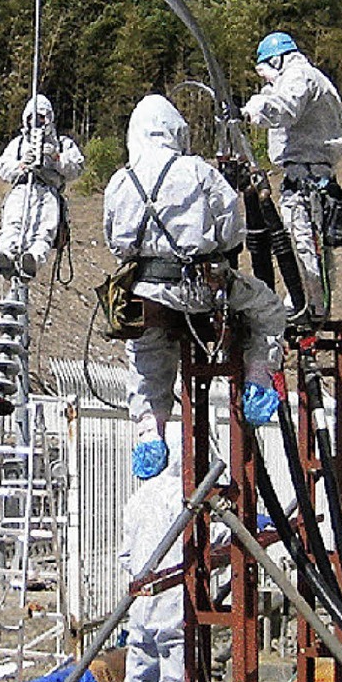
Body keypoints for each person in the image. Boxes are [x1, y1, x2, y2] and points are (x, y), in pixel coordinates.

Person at [103, 94, 286, 475]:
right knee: (266, 306)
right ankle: (257, 379)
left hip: (146, 294)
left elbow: (116, 242)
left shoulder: (122, 179)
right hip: (200, 290)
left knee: (146, 354)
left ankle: (148, 431)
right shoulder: (197, 171)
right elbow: (232, 233)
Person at [242, 31, 342, 320]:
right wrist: (254, 103)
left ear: (277, 60)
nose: (266, 80)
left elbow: (283, 107)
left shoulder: (299, 77)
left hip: (307, 178)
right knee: (306, 246)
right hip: (311, 173)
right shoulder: (307, 77)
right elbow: (273, 97)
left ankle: (310, 306)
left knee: (304, 245)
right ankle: (310, 302)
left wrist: (252, 112)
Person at [97, 433, 184, 682]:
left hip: (142, 609)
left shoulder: (139, 497)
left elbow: (125, 556)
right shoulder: (185, 496)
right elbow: (216, 538)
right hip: (173, 612)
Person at [0, 93, 84, 279]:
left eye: (42, 117)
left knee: (44, 229)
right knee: (12, 225)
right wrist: (20, 165)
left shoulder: (63, 143)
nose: (37, 122)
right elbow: (3, 166)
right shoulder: (18, 144)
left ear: (50, 118)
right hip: (21, 189)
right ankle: (6, 255)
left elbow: (77, 168)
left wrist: (57, 158)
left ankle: (33, 259)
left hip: (48, 192)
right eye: (32, 117)